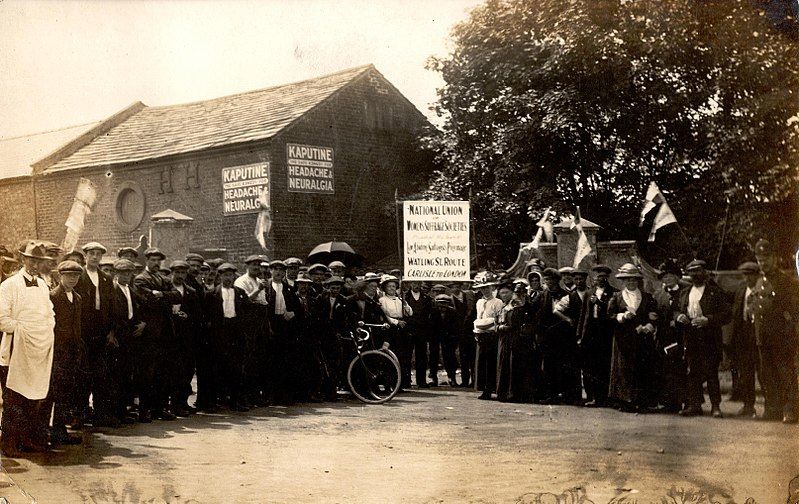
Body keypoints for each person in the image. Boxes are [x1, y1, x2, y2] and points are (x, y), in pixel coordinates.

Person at [0, 242, 56, 456]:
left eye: (38, 261)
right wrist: (25, 330)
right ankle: (8, 443)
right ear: (23, 260)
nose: (34, 264)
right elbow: (2, 319)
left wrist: (43, 331)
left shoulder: (42, 286)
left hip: (38, 350)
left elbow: (50, 314)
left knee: (34, 399)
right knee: (14, 398)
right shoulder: (9, 285)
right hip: (15, 349)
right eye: (31, 260)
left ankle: (27, 440)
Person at [674, 260, 731, 418]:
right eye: (691, 272)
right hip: (691, 336)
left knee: (711, 371)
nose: (695, 275)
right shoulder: (685, 292)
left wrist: (708, 319)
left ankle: (715, 406)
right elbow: (676, 310)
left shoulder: (714, 291)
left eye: (698, 271)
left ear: (704, 272)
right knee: (692, 371)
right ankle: (695, 405)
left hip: (709, 337)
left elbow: (727, 314)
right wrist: (680, 316)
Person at [751, 239, 799, 423]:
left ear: (774, 258)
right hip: (763, 337)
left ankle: (791, 410)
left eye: (766, 259)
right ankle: (772, 409)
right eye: (760, 260)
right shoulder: (759, 281)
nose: (763, 263)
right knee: (767, 375)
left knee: (785, 374)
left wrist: (790, 333)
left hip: (782, 337)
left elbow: (793, 310)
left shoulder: (786, 281)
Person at [133, 247, 183, 422]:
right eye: (152, 260)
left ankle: (159, 408)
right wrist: (164, 299)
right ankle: (145, 410)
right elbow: (148, 302)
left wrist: (161, 294)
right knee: (148, 372)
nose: (156, 263)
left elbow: (178, 296)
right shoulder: (141, 279)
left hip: (165, 332)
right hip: (150, 333)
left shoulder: (163, 279)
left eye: (158, 260)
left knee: (163, 371)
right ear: (147, 261)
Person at [607, 263, 659, 413]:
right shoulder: (616, 297)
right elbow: (609, 316)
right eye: (628, 280)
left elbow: (654, 315)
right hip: (623, 339)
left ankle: (641, 401)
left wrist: (648, 326)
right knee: (624, 369)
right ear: (623, 281)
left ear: (638, 281)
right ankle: (625, 401)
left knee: (642, 368)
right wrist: (622, 316)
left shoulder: (647, 297)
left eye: (634, 280)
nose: (631, 283)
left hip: (642, 339)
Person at [74, 241, 115, 426]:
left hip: (101, 331)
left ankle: (100, 413)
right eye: (92, 253)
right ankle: (79, 414)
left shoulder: (105, 278)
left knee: (101, 375)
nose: (95, 257)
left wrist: (111, 331)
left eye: (99, 254)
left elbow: (111, 306)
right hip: (83, 331)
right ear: (86, 256)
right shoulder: (79, 276)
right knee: (82, 374)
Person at [47, 260, 85, 445]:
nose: (72, 279)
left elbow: (77, 326)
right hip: (57, 352)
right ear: (60, 276)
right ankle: (48, 431)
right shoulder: (53, 296)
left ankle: (60, 430)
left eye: (76, 276)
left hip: (71, 352)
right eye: (68, 275)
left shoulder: (77, 298)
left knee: (65, 393)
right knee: (53, 392)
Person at [108, 259, 146, 424]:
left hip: (131, 337)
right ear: (116, 274)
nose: (126, 276)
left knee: (127, 374)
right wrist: (112, 333)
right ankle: (114, 412)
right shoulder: (112, 290)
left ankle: (123, 410)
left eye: (129, 273)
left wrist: (143, 323)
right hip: (118, 337)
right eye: (122, 272)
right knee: (116, 375)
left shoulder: (131, 290)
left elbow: (141, 308)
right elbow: (109, 314)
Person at [207, 263, 249, 411]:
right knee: (217, 367)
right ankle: (216, 401)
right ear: (220, 276)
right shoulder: (212, 293)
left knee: (235, 368)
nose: (228, 278)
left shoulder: (240, 292)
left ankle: (235, 401)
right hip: (220, 333)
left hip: (235, 332)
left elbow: (246, 310)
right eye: (225, 275)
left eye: (231, 275)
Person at [577, 265, 617, 408]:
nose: (600, 279)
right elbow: (583, 315)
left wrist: (599, 302)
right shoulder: (589, 293)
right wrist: (580, 334)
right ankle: (593, 396)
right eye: (598, 276)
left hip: (605, 333)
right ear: (594, 278)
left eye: (603, 277)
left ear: (607, 278)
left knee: (604, 365)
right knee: (591, 366)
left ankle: (606, 397)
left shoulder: (613, 293)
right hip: (590, 333)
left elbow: (611, 312)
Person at [651, 259, 687, 413]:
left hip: (680, 337)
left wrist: (678, 318)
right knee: (664, 369)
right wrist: (653, 316)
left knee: (679, 369)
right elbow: (656, 312)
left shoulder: (685, 291)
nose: (667, 279)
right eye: (664, 277)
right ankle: (668, 403)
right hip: (663, 337)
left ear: (677, 276)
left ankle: (683, 402)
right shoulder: (659, 294)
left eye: (671, 276)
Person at [235, 255, 270, 406]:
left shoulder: (259, 281)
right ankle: (245, 396)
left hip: (260, 321)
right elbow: (244, 301)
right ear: (247, 266)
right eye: (254, 265)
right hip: (248, 321)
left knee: (259, 359)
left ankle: (255, 395)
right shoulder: (242, 281)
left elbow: (263, 302)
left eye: (258, 265)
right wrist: (258, 290)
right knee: (247, 360)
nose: (257, 268)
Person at [265, 259, 302, 405]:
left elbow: (298, 308)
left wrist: (293, 313)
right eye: (275, 269)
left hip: (285, 327)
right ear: (271, 271)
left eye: (281, 270)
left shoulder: (289, 289)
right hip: (270, 324)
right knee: (270, 361)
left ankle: (284, 395)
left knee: (284, 361)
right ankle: (270, 395)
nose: (279, 272)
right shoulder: (266, 287)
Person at [496, 281, 539, 403]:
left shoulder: (525, 305)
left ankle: (518, 394)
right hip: (505, 339)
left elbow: (529, 319)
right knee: (505, 364)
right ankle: (505, 393)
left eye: (521, 291)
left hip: (519, 339)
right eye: (502, 293)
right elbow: (497, 321)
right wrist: (499, 327)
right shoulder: (505, 307)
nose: (504, 295)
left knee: (518, 365)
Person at [729, 261, 761, 418]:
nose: (747, 278)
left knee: (763, 372)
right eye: (745, 275)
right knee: (746, 373)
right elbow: (736, 312)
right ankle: (748, 405)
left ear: (757, 275)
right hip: (743, 334)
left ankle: (772, 406)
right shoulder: (741, 289)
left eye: (750, 275)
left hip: (759, 333)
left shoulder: (762, 288)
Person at [168, 260, 200, 416]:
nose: (180, 276)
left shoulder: (191, 292)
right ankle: (172, 404)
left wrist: (187, 317)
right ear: (171, 273)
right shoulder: (166, 289)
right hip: (169, 336)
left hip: (186, 337)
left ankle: (182, 402)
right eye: (177, 272)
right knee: (172, 371)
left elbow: (196, 314)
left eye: (183, 273)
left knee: (186, 371)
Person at [553, 269, 589, 405]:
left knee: (588, 366)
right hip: (573, 334)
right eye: (577, 279)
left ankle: (591, 395)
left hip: (588, 333)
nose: (579, 282)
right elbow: (556, 310)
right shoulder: (570, 296)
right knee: (573, 365)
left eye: (581, 279)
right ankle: (575, 396)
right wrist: (568, 320)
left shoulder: (590, 293)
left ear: (586, 280)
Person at [313, 275, 348, 399]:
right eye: (333, 288)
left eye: (337, 288)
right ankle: (322, 390)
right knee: (323, 363)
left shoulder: (343, 300)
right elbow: (316, 316)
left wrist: (340, 332)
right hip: (323, 335)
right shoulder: (321, 298)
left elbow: (344, 320)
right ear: (328, 288)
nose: (335, 291)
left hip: (335, 335)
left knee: (335, 363)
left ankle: (332, 391)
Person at [537, 268, 569, 404]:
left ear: (556, 280)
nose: (548, 282)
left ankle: (561, 393)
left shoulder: (565, 294)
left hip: (560, 336)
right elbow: (536, 313)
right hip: (545, 335)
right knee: (547, 365)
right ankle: (550, 394)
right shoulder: (542, 295)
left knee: (560, 365)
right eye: (546, 279)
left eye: (550, 279)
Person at [378, 275, 413, 389]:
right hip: (391, 328)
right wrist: (396, 322)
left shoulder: (400, 300)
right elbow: (385, 315)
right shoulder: (382, 300)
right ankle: (389, 384)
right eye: (389, 287)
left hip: (401, 329)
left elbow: (409, 313)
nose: (392, 288)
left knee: (402, 356)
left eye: (394, 286)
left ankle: (400, 383)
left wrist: (405, 305)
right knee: (390, 356)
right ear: (385, 288)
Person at [473, 273, 503, 399]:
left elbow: (497, 319)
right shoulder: (479, 302)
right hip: (481, 335)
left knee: (491, 363)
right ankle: (483, 387)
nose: (485, 290)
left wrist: (487, 325)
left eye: (487, 287)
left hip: (492, 335)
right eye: (482, 288)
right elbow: (478, 318)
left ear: (492, 288)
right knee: (481, 362)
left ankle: (490, 389)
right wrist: (477, 330)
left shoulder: (497, 302)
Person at [404, 280, 433, 387]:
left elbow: (429, 316)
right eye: (414, 283)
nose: (416, 285)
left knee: (422, 356)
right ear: (410, 284)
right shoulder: (404, 297)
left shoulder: (426, 298)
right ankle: (406, 381)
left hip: (422, 332)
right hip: (409, 331)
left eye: (418, 283)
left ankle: (421, 381)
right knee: (407, 356)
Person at [449, 280, 476, 387]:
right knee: (463, 357)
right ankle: (465, 381)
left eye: (456, 286)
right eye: (452, 287)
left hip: (470, 331)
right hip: (458, 333)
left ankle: (475, 380)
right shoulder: (450, 300)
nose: (455, 289)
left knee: (473, 357)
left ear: (460, 286)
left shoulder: (469, 296)